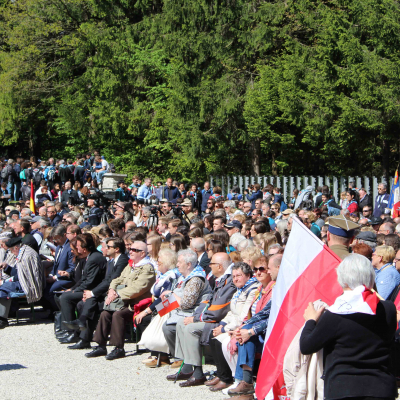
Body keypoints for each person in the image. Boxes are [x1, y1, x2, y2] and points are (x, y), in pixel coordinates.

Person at [300, 254, 397, 400]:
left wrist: (311, 321)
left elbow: (307, 346)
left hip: (344, 389)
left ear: (342, 280)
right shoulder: (387, 309)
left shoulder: (335, 315)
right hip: (381, 388)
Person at [166, 252, 235, 387]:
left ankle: (198, 373)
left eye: (212, 264)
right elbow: (208, 302)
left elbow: (220, 309)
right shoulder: (221, 278)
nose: (209, 266)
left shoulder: (229, 281)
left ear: (220, 266)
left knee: (191, 328)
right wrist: (196, 316)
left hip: (220, 320)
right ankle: (186, 366)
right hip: (210, 316)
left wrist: (196, 318)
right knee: (181, 323)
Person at [85, 241, 155, 360]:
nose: (130, 251)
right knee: (105, 313)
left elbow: (138, 288)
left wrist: (117, 294)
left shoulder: (147, 268)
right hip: (122, 302)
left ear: (143, 253)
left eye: (134, 250)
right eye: (130, 249)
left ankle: (118, 348)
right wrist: (112, 289)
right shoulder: (131, 265)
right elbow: (118, 279)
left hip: (137, 304)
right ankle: (101, 345)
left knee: (118, 314)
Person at [227, 254, 282, 396]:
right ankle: (239, 380)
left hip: (271, 332)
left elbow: (270, 317)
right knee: (240, 333)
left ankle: (245, 381)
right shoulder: (260, 290)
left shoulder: (276, 289)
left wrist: (249, 330)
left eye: (263, 269)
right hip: (259, 329)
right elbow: (257, 315)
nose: (258, 272)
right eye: (256, 269)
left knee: (245, 334)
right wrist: (243, 326)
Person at [60, 237, 122, 348]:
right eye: (105, 247)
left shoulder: (120, 260)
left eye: (107, 247)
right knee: (83, 302)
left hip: (116, 295)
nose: (104, 249)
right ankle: (83, 336)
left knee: (82, 301)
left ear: (116, 249)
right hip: (103, 292)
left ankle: (79, 333)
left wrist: (92, 293)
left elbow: (108, 281)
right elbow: (102, 280)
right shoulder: (111, 261)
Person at [207, 262, 258, 392]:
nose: (235, 279)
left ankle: (235, 378)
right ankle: (223, 375)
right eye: (234, 276)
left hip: (242, 326)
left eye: (239, 275)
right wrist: (222, 325)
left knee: (224, 343)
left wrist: (224, 329)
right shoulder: (239, 290)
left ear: (247, 275)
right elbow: (231, 312)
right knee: (212, 336)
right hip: (232, 325)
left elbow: (243, 316)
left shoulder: (252, 290)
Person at [0, 237, 44, 328]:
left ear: (16, 248)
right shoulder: (23, 252)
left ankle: (3, 319)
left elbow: (22, 277)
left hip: (28, 284)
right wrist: (7, 267)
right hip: (21, 281)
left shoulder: (26, 256)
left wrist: (4, 281)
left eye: (11, 251)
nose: (12, 253)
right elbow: (17, 272)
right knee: (4, 286)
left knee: (3, 288)